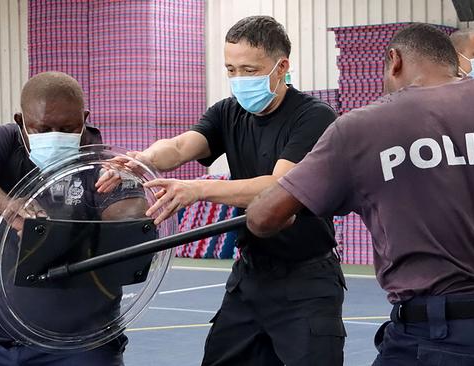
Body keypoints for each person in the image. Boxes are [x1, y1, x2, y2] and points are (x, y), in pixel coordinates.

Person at [246, 23, 474, 365]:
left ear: (395, 60)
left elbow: (263, 218)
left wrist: (307, 199)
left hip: (433, 336)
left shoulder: (360, 128)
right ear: (453, 62)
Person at [96, 15, 345, 366]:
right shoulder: (228, 112)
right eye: (231, 70)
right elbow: (182, 147)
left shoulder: (314, 117)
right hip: (250, 277)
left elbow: (280, 186)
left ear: (281, 66)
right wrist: (142, 159)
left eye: (249, 70)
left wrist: (198, 189)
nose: (238, 80)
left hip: (306, 282)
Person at [0, 71, 146, 366]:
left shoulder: (102, 163)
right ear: (21, 122)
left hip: (77, 347)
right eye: (42, 128)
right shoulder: (6, 142)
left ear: (84, 118)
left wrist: (129, 188)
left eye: (67, 127)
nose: (54, 135)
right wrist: (8, 206)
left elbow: (131, 219)